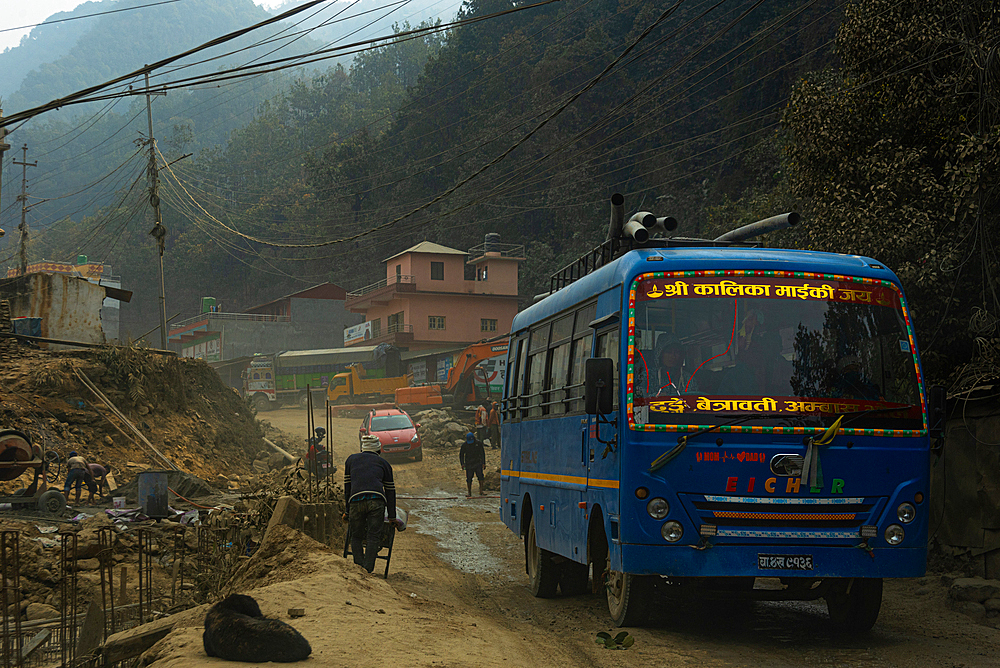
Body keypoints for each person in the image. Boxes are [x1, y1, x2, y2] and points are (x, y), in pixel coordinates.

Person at [343, 435, 399, 573]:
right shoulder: (384, 464)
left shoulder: (351, 460)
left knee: (355, 536)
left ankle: (358, 567)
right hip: (376, 501)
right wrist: (392, 516)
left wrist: (347, 511)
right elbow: (390, 491)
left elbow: (347, 488)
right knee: (373, 536)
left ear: (362, 448)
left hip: (355, 501)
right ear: (378, 449)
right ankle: (367, 569)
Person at [460, 432, 486, 498]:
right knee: (469, 478)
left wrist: (483, 463)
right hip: (469, 463)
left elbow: (482, 453)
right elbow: (461, 455)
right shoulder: (464, 445)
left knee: (480, 476)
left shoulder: (478, 444)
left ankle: (481, 490)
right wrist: (462, 464)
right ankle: (469, 492)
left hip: (477, 462)